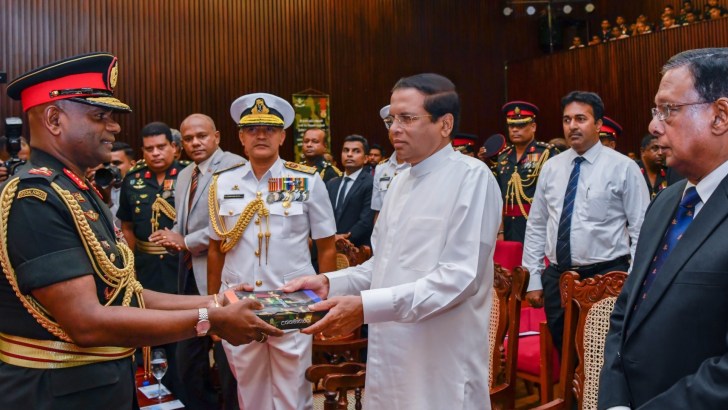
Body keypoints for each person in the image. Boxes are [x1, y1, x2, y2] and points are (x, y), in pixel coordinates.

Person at [0, 52, 282, 410]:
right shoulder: (35, 198)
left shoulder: (75, 189)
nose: (115, 128)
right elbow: (88, 321)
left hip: (95, 386)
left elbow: (125, 293)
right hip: (55, 394)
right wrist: (211, 320)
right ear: (54, 119)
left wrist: (218, 299)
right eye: (100, 116)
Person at [283, 73, 502, 410]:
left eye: (407, 118)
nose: (394, 129)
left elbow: (459, 279)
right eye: (391, 118)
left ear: (445, 124)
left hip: (439, 360)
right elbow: (382, 266)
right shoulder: (399, 182)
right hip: (389, 353)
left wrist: (366, 308)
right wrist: (330, 282)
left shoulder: (472, 178)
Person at [599, 48, 728, 409]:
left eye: (669, 110)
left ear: (719, 116)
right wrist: (615, 402)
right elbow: (626, 312)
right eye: (657, 111)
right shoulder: (666, 203)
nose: (654, 126)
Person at [208, 92, 337, 410]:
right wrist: (214, 308)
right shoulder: (222, 184)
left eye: (269, 128)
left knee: (293, 391)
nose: (261, 135)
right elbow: (215, 250)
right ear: (241, 137)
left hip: (292, 301)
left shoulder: (306, 181)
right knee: (249, 390)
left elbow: (327, 247)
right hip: (240, 303)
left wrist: (328, 306)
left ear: (282, 136)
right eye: (252, 129)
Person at [522, 91, 649, 353]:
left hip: (606, 277)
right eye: (567, 120)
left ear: (599, 124)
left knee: (601, 356)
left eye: (581, 119)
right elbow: (536, 224)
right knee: (565, 352)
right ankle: (570, 397)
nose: (572, 126)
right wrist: (534, 277)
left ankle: (601, 397)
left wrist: (632, 283)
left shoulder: (623, 168)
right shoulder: (552, 167)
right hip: (558, 278)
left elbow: (641, 231)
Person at [150, 114, 243, 410]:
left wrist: (186, 241)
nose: (195, 143)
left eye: (202, 136)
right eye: (188, 139)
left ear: (216, 136)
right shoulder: (184, 174)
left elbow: (232, 221)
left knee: (228, 359)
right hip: (188, 278)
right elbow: (184, 223)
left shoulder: (235, 166)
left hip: (220, 275)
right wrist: (173, 235)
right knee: (187, 360)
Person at [116, 121, 188, 395]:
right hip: (145, 267)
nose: (155, 153)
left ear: (174, 148)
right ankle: (152, 390)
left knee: (181, 333)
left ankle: (181, 391)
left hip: (179, 265)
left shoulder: (186, 175)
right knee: (148, 331)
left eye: (161, 147)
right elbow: (127, 226)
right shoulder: (132, 179)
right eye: (149, 149)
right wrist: (129, 267)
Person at [481, 100, 558, 243]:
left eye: (521, 125)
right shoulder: (503, 156)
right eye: (511, 125)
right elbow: (496, 198)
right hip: (508, 228)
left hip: (538, 228)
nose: (515, 129)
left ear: (533, 127)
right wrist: (500, 231)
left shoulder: (547, 153)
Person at [326, 134, 374, 247]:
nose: (349, 154)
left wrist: (342, 239)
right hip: (330, 245)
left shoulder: (370, 183)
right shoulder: (331, 184)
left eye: (356, 151)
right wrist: (331, 238)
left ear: (366, 158)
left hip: (356, 248)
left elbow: (366, 221)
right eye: (346, 150)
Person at [371, 104, 410, 221]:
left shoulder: (418, 165)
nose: (397, 135)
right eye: (392, 131)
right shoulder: (381, 168)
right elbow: (378, 212)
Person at [109, 141, 136, 227]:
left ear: (132, 165)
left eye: (116, 163)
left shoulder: (139, 189)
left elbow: (122, 225)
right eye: (106, 164)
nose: (111, 167)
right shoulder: (99, 188)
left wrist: (109, 203)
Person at [636, 134, 669, 199]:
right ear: (642, 151)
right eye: (655, 148)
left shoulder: (669, 172)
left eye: (663, 148)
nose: (660, 153)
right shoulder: (634, 171)